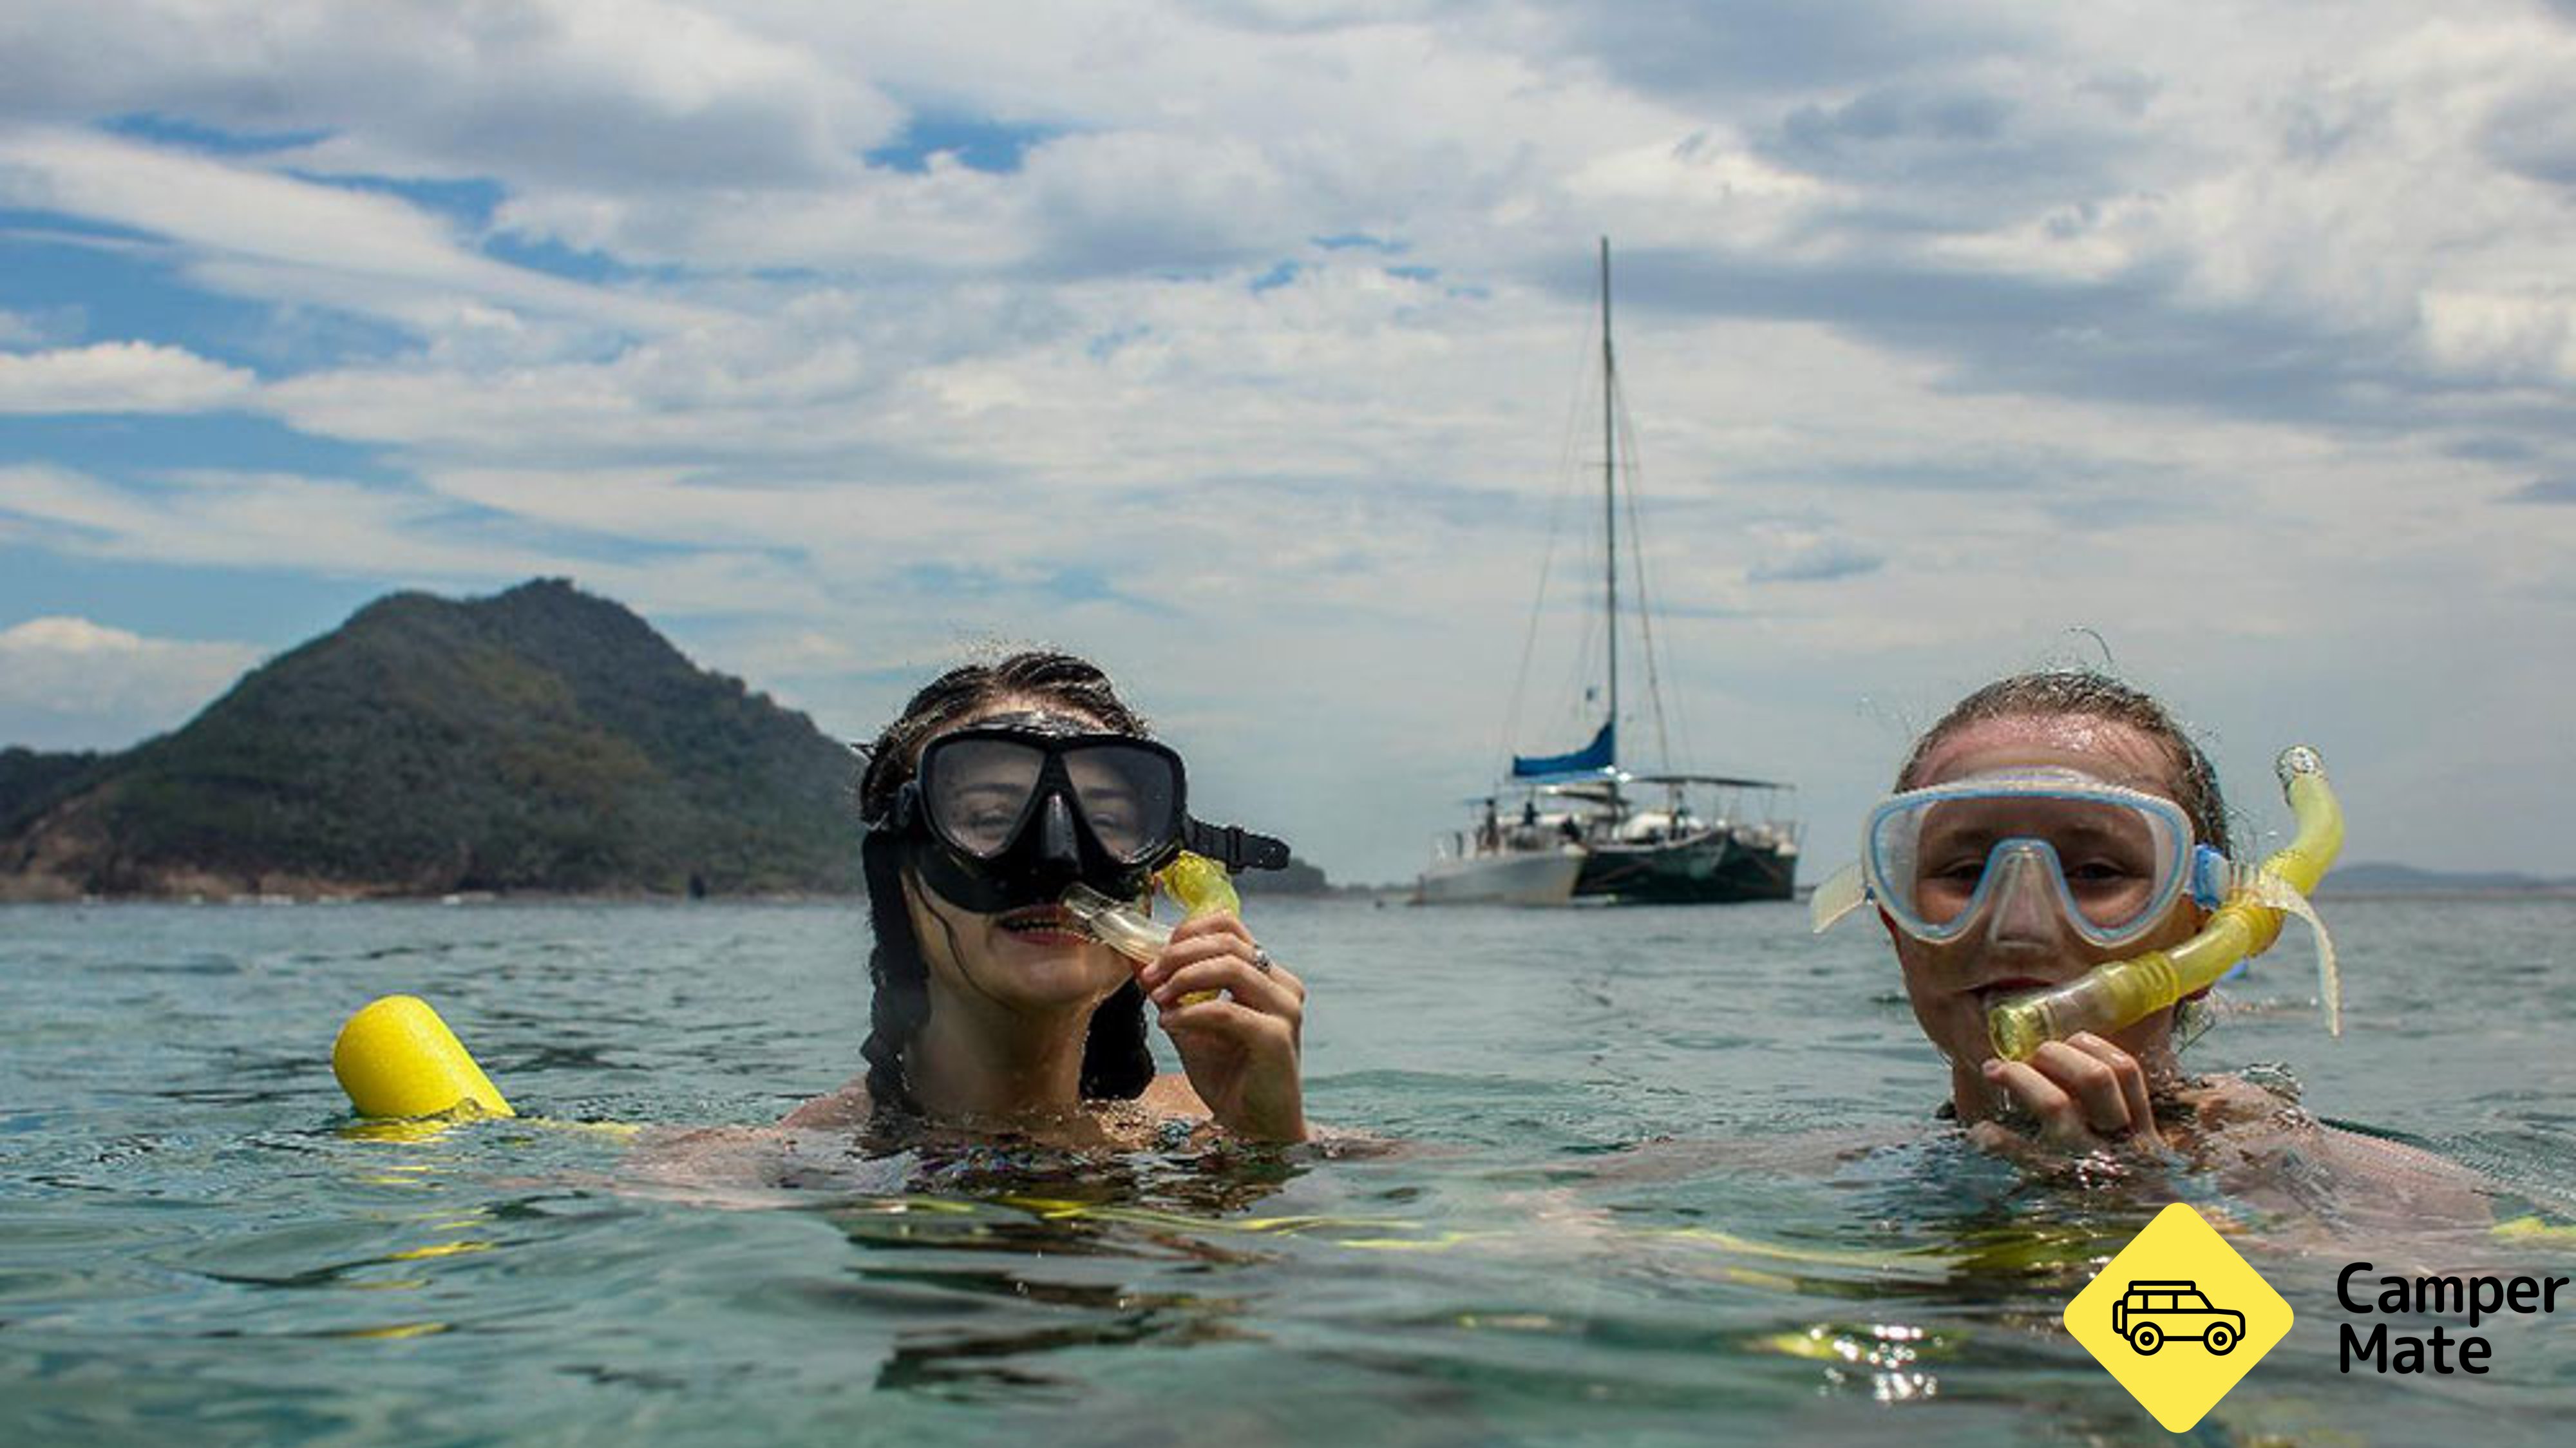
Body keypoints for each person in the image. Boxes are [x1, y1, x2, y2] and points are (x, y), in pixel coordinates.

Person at [1815, 670, 2486, 1222]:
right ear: (1895, 927)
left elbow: (2354, 1374)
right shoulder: (1820, 1181)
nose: (2018, 923)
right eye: (1963, 872)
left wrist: (2136, 1210)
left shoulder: (2403, 1201)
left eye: (2096, 872)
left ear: (2206, 932)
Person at [781, 649, 1309, 1147]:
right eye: (991, 820)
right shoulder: (777, 1172)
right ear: (901, 876)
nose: (1060, 858)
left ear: (1153, 879)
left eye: (1105, 823)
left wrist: (1264, 1144)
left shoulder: (1233, 1122)